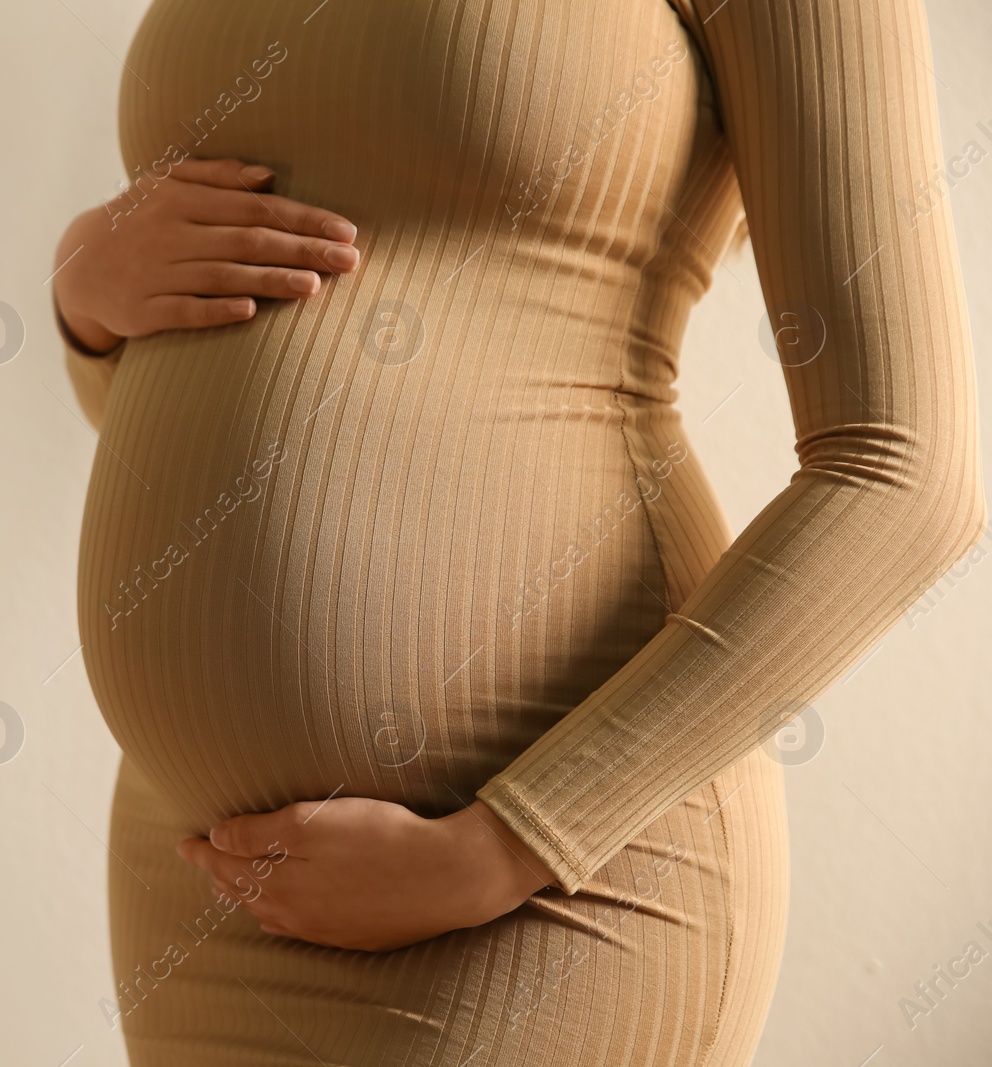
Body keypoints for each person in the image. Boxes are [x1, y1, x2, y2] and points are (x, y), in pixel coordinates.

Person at [50, 0, 984, 1063]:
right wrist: (90, 297)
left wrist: (508, 842)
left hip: (549, 876)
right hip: (207, 871)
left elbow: (907, 471)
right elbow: (214, 380)